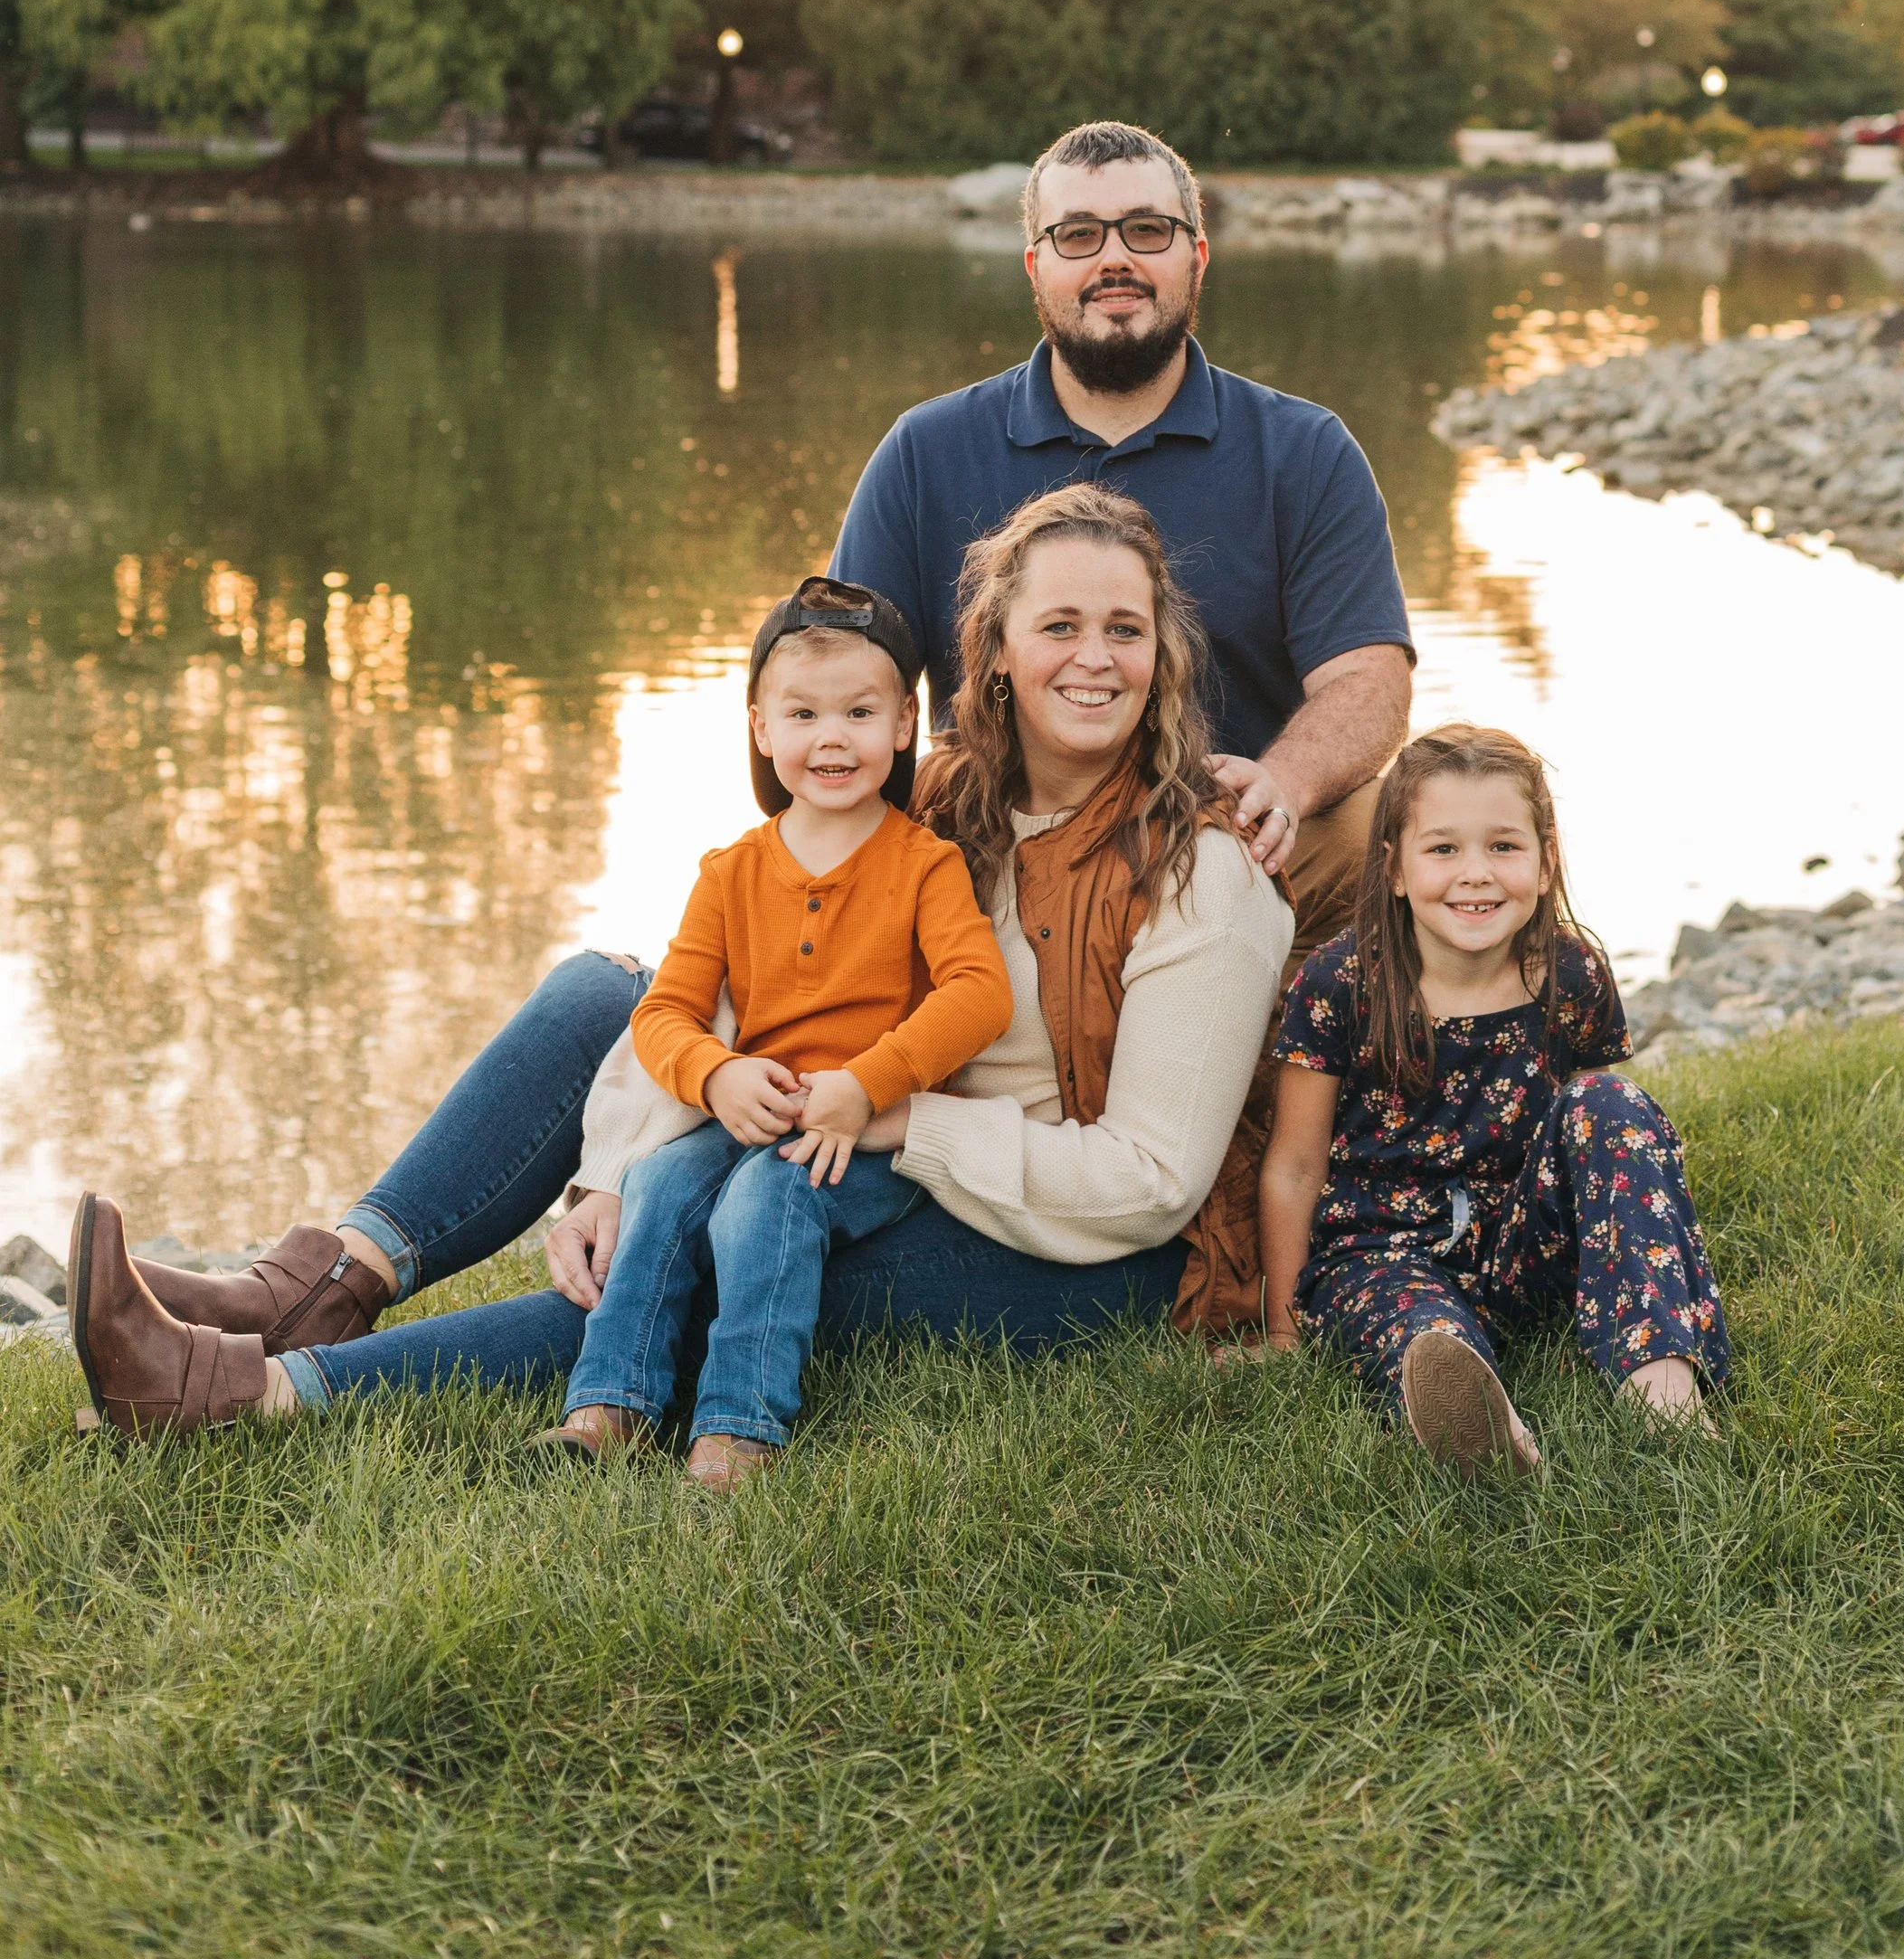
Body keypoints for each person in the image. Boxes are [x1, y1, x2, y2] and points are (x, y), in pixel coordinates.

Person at [68, 487, 1291, 1434]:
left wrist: (896, 1123)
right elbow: (735, 981)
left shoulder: (1204, 874)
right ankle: (326, 1275)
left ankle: (257, 1390)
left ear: (1164, 657)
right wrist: (611, 1169)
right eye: (1059, 624)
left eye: (1125, 628)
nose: (1095, 656)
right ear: (1000, 653)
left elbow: (1152, 1182)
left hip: (1083, 1248)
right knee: (608, 987)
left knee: (710, 1258)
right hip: (852, 1134)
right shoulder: (935, 802)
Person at [833, 116, 1415, 947]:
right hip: (1001, 864)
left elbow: (1371, 679)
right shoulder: (927, 451)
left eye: (1148, 231)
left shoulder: (1304, 451)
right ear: (1037, 266)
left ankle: (1323, 1051)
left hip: (1239, 851)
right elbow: (841, 688)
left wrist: (1284, 782)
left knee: (1388, 827)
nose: (1116, 259)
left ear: (1197, 254)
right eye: (1079, 235)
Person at [531, 579, 1013, 1487]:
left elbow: (980, 994)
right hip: (754, 1108)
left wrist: (869, 1082)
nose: (831, 738)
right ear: (760, 728)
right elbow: (664, 1013)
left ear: (904, 725)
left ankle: (738, 1428)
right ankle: (610, 1406)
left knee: (769, 1199)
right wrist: (716, 1078)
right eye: (802, 714)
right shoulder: (731, 872)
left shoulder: (924, 865)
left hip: (861, 1135)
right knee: (666, 1178)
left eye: (859, 712)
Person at [1255, 724, 1729, 1473]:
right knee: (1419, 1331)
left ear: (1545, 864)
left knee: (1612, 1103)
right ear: (1397, 869)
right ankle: (1483, 1422)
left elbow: (1607, 1153)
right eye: (1444, 849)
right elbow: (1293, 1165)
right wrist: (1284, 1333)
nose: (1475, 873)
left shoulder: (1572, 974)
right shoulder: (1339, 983)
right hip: (1382, 1254)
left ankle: (1662, 1389)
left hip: (1521, 1248)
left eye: (1503, 847)